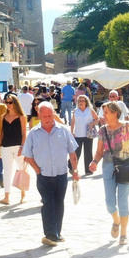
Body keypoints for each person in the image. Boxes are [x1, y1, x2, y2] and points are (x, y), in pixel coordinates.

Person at [89, 101, 129, 246]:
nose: (104, 115)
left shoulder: (128, 127)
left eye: (107, 112)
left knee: (123, 201)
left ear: (115, 113)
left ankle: (123, 234)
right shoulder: (103, 130)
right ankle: (116, 221)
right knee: (110, 203)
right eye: (103, 112)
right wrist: (94, 162)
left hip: (126, 165)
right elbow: (99, 152)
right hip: (109, 166)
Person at [23, 101, 80, 247]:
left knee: (59, 204)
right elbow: (28, 156)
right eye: (45, 116)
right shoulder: (34, 134)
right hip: (43, 176)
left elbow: (72, 152)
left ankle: (57, 233)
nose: (48, 119)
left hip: (61, 175)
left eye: (50, 115)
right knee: (48, 203)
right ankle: (49, 234)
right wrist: (37, 170)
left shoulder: (63, 130)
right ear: (39, 116)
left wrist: (75, 170)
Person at [0, 94, 27, 205]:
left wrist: (23, 147)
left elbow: (24, 133)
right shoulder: (3, 117)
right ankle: (6, 196)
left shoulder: (21, 117)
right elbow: (1, 133)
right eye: (6, 102)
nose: (8, 105)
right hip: (6, 147)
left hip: (18, 146)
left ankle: (23, 193)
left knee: (22, 169)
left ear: (15, 103)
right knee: (7, 171)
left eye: (10, 102)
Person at [69, 95, 98, 176]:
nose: (81, 102)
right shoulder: (75, 111)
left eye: (83, 100)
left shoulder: (90, 110)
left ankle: (89, 170)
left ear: (86, 102)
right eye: (79, 101)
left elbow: (97, 119)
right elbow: (72, 122)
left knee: (88, 153)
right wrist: (71, 132)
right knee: (76, 152)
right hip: (77, 135)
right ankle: (71, 167)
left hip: (88, 135)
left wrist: (92, 123)